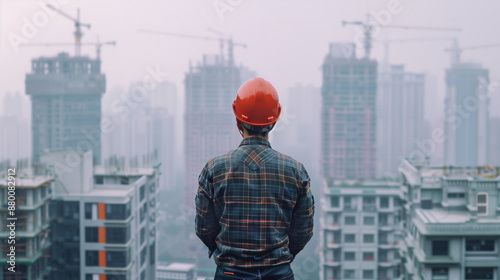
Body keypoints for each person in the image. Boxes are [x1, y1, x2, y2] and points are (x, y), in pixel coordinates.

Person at [195, 77, 314, 280]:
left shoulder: (214, 169)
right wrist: (280, 257)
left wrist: (227, 254)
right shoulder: (296, 171)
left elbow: (204, 228)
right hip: (278, 273)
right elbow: (303, 230)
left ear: (237, 119)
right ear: (274, 120)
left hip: (230, 273)